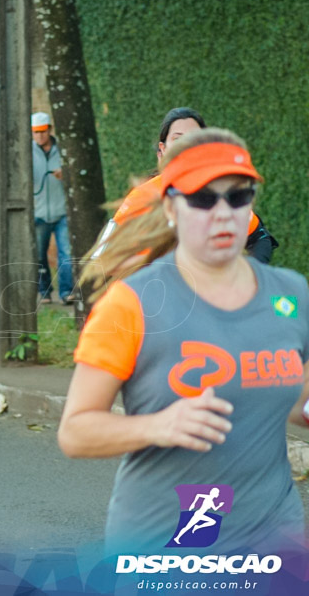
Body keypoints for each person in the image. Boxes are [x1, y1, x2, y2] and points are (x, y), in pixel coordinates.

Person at [61, 128, 309, 555]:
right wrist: (159, 425)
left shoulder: (291, 293)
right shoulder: (132, 303)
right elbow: (75, 431)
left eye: (238, 196)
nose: (222, 212)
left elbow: (294, 398)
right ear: (172, 206)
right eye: (202, 198)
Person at [97, 108, 278, 263]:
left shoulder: (219, 193)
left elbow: (258, 238)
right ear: (162, 150)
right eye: (178, 139)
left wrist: (249, 278)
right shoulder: (142, 196)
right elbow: (103, 256)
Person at [31, 112, 75, 304]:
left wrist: (66, 173)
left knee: (65, 253)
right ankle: (45, 292)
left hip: (61, 212)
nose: (39, 136)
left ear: (49, 130)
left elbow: (75, 172)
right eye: (35, 132)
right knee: (39, 255)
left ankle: (67, 292)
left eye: (42, 131)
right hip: (38, 212)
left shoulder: (63, 149)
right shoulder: (27, 152)